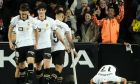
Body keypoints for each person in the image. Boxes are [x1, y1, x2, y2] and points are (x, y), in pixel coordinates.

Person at [8, 3, 38, 84]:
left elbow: (36, 30)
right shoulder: (15, 19)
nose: (24, 15)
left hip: (29, 44)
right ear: (19, 11)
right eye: (22, 13)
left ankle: (30, 81)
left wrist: (36, 42)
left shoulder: (32, 20)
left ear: (28, 12)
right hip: (19, 46)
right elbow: (10, 30)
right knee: (21, 67)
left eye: (25, 13)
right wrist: (10, 42)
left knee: (30, 61)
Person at [50, 10, 77, 84]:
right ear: (62, 16)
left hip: (51, 49)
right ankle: (49, 81)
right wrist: (73, 49)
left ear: (55, 16)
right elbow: (70, 40)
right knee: (58, 69)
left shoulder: (50, 24)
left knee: (58, 69)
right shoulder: (64, 25)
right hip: (60, 49)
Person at [34, 2, 57, 84]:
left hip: (47, 46)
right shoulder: (33, 21)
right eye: (39, 10)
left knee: (47, 66)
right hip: (36, 47)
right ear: (37, 11)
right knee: (38, 67)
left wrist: (56, 39)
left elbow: (55, 31)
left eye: (42, 10)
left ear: (45, 11)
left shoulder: (51, 21)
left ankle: (47, 82)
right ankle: (40, 81)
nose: (41, 11)